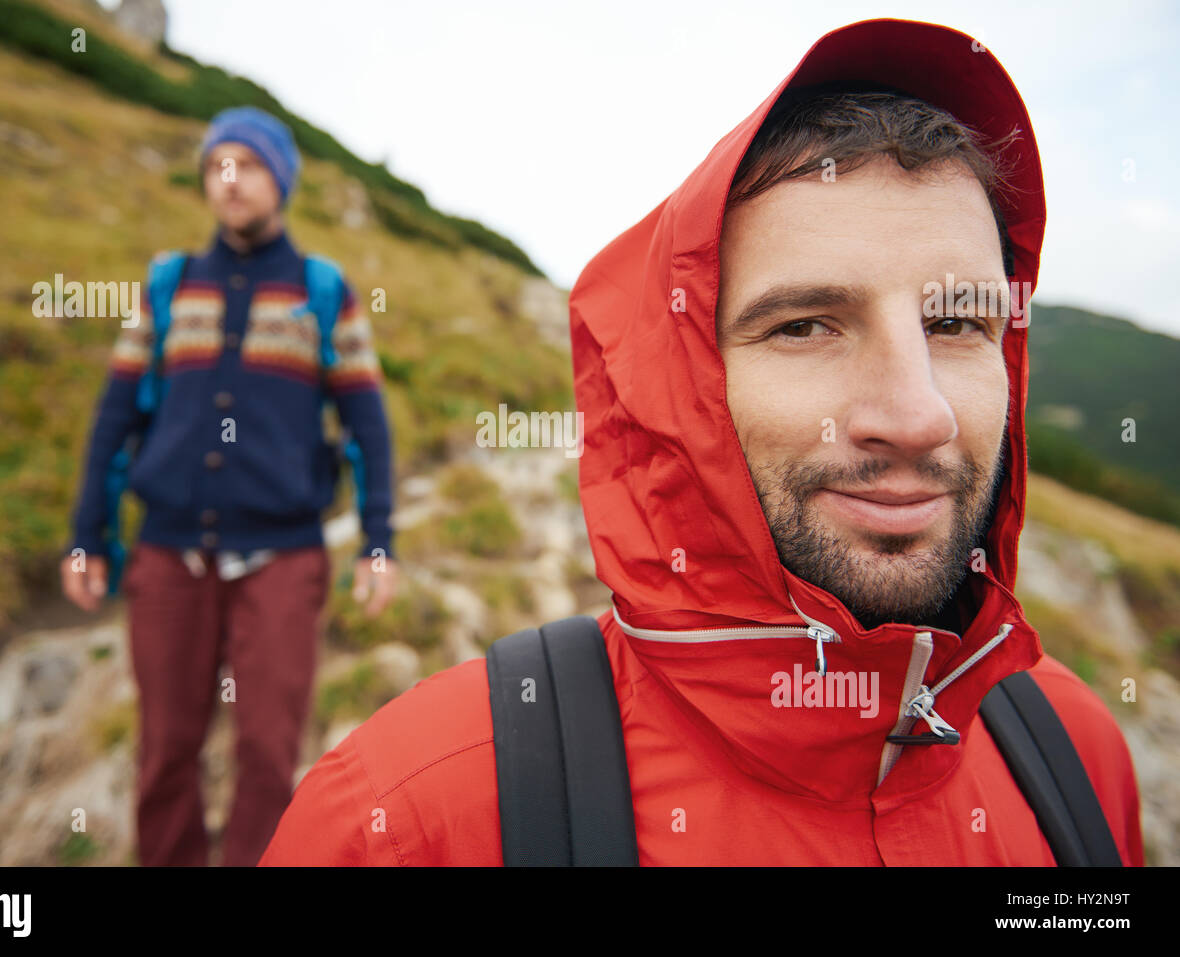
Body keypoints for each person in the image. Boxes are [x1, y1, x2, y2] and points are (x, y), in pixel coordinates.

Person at [258, 19, 1143, 866]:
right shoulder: (408, 824)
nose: (917, 417)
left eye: (957, 321)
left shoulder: (1079, 754)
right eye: (805, 326)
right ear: (688, 388)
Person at [60, 106, 398, 866]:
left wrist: (379, 540)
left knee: (270, 759)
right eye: (217, 165)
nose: (230, 180)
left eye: (247, 164)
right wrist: (89, 536)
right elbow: (115, 417)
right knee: (165, 754)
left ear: (279, 179)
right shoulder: (168, 285)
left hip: (282, 558)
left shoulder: (323, 290)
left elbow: (367, 425)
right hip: (168, 557)